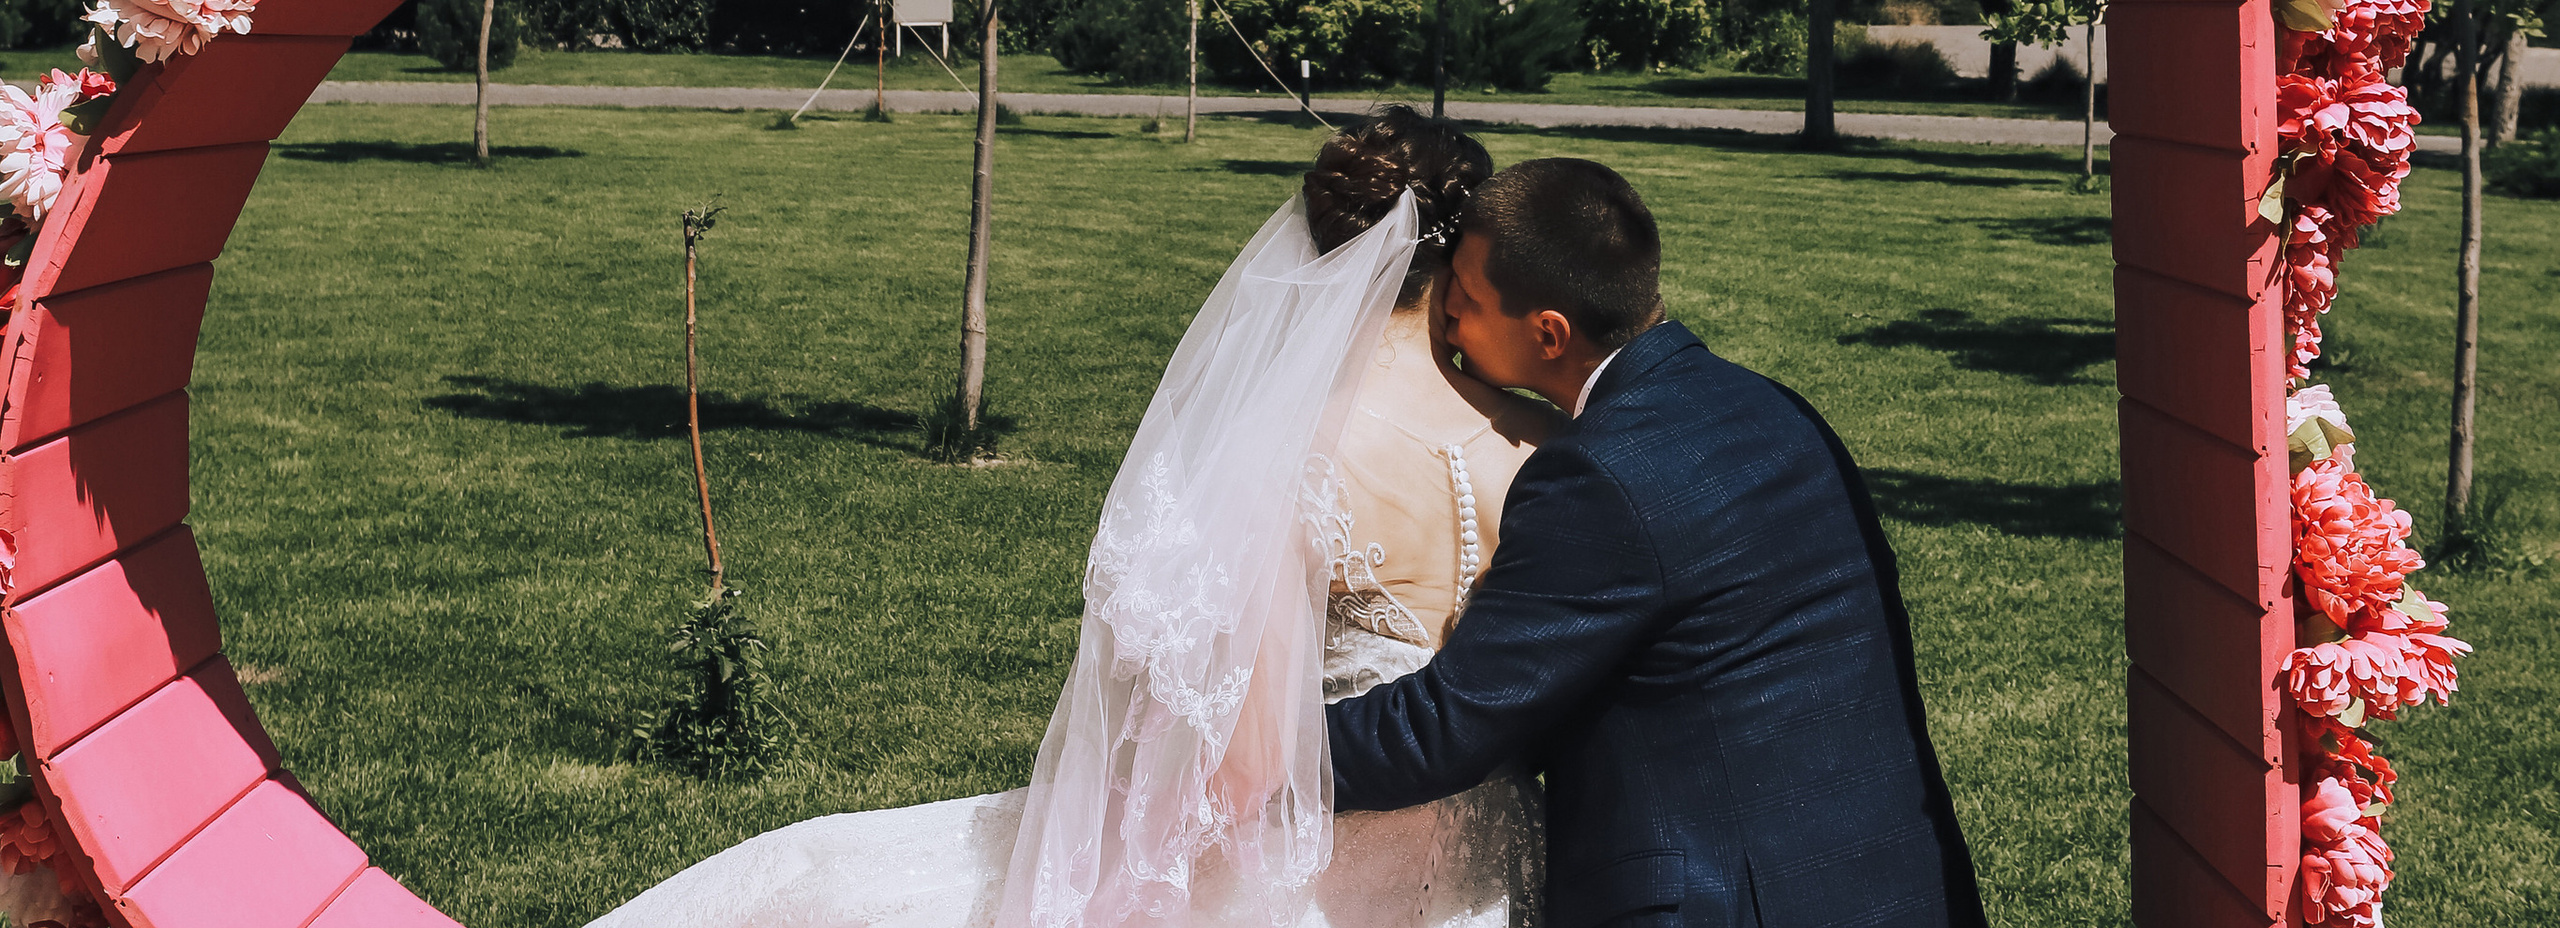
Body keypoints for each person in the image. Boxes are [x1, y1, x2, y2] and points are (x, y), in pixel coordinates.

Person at [594, 108, 1551, 928]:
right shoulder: (1544, 442)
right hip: (1498, 856)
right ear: (1469, 259)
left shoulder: (1288, 447)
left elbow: (1251, 758)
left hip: (1319, 856)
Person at [1327, 158, 1985, 928]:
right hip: (1893, 878)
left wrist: (1258, 755)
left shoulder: (1598, 474)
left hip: (1727, 902)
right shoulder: (1777, 411)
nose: (1448, 322)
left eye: (1465, 301)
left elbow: (1448, 726)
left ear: (1549, 332)